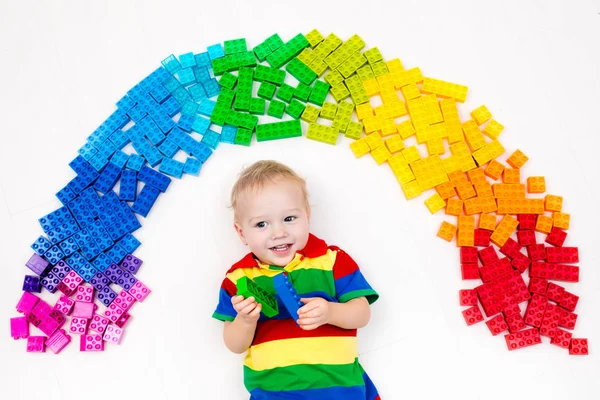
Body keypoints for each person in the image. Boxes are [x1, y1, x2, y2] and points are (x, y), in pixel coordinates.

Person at [213, 160, 380, 400]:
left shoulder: (331, 260)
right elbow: (234, 344)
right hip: (273, 394)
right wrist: (246, 320)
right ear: (242, 233)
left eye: (289, 219)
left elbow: (362, 314)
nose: (278, 232)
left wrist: (330, 312)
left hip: (340, 389)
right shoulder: (237, 278)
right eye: (261, 224)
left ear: (307, 215)